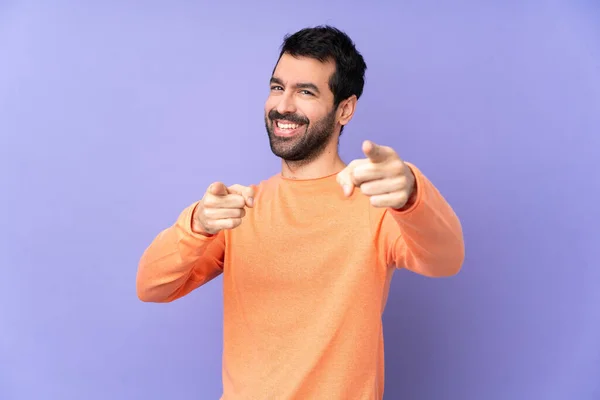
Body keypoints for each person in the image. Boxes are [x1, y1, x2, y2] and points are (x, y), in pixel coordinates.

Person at [136, 25, 465, 400]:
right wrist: (196, 224)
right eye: (277, 87)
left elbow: (446, 260)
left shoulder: (377, 203)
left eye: (305, 91)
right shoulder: (240, 208)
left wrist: (411, 192)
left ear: (345, 109)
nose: (283, 105)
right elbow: (151, 287)